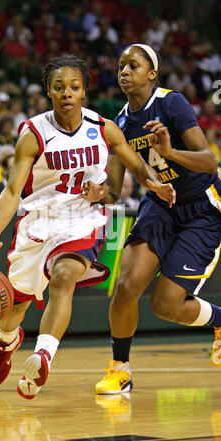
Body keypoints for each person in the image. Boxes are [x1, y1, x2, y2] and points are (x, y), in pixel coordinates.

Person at [0, 54, 174, 400]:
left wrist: (154, 185)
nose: (66, 94)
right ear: (48, 90)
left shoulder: (103, 127)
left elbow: (136, 166)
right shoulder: (33, 133)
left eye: (74, 87)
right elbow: (13, 190)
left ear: (84, 92)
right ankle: (5, 343)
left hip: (81, 220)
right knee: (16, 306)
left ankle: (42, 356)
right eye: (58, 87)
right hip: (38, 220)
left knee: (64, 277)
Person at [95, 43, 221, 396]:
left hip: (200, 207)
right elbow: (114, 190)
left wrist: (168, 152)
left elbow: (209, 162)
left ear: (152, 73)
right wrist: (94, 192)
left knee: (165, 305)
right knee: (124, 288)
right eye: (120, 66)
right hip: (160, 203)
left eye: (133, 65)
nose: (124, 71)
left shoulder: (172, 103)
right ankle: (120, 370)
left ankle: (220, 320)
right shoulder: (119, 122)